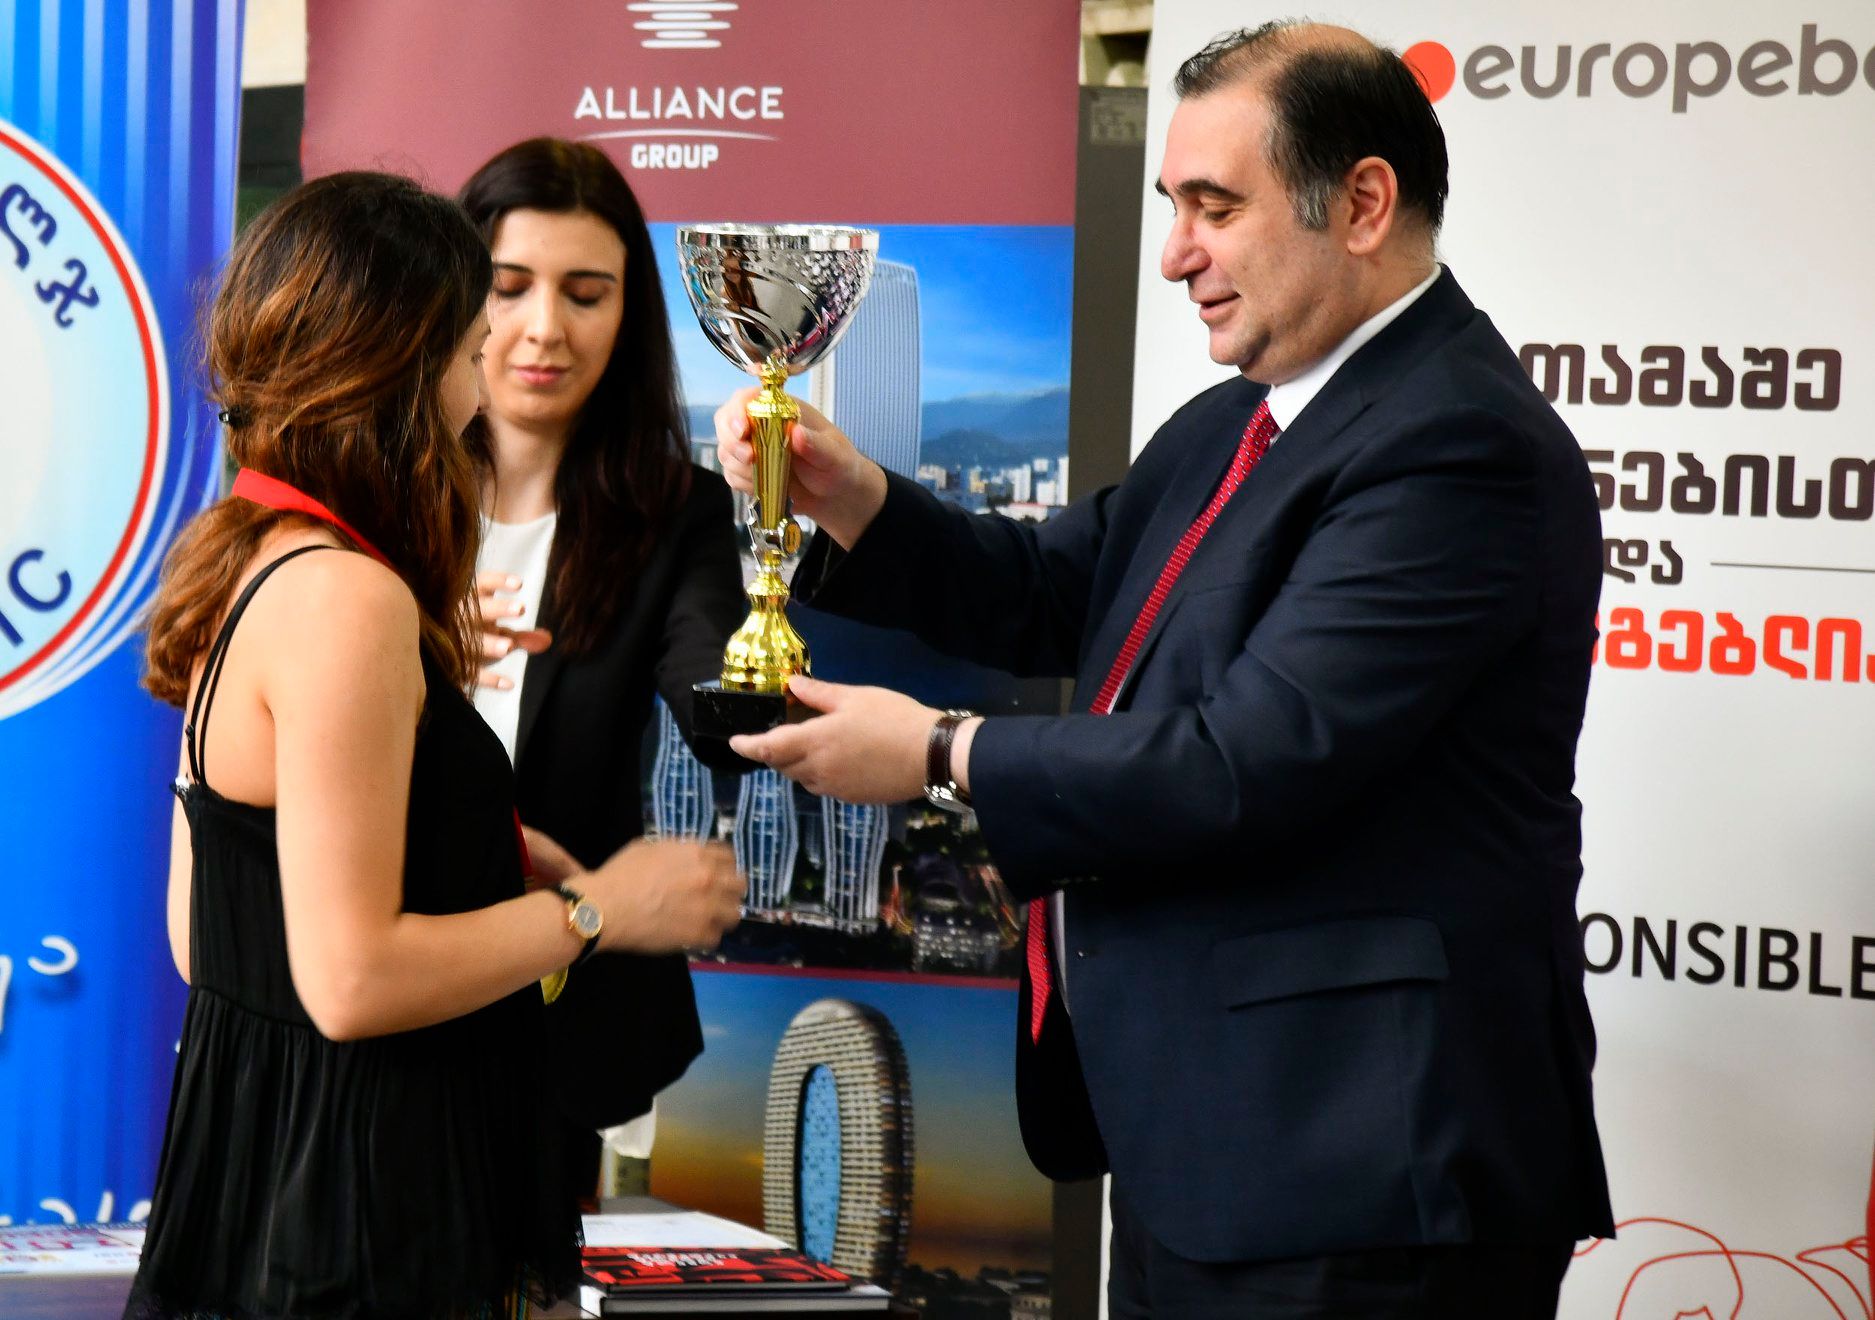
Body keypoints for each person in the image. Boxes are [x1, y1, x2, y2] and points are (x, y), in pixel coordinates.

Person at [717, 21, 1613, 1318]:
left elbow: (1249, 755)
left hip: (1362, 1173)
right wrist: (851, 496)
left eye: (1215, 207)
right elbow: (1052, 592)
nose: (1175, 252)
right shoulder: (1237, 420)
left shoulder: (1459, 447)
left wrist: (939, 753)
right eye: (1171, 206)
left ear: (1362, 204)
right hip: (1208, 1148)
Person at [131, 171, 743, 1319]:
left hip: (273, 1182)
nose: (488, 379)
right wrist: (602, 909)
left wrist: (480, 858)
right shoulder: (346, 600)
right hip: (363, 1210)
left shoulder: (248, 557)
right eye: (471, 347)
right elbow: (352, 980)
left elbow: (203, 930)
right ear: (407, 370)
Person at [455, 137, 750, 1201]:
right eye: (509, 287)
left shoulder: (674, 509)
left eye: (586, 294)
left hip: (560, 1008)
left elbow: (724, 709)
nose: (546, 328)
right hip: (374, 979)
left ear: (628, 315)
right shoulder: (372, 493)